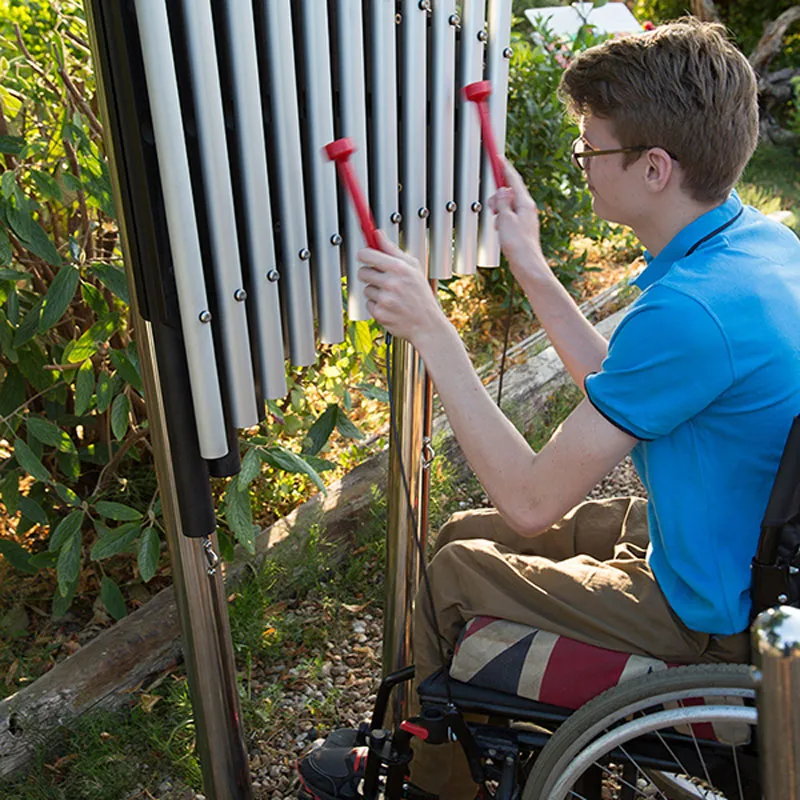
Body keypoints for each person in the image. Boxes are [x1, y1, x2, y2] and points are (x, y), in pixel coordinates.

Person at [299, 17, 800, 800]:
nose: (582, 165)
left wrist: (436, 332)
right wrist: (533, 270)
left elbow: (532, 502)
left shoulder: (693, 312)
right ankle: (421, 745)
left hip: (710, 613)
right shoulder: (759, 250)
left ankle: (428, 784)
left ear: (656, 167)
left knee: (459, 570)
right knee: (465, 531)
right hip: (732, 554)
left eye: (592, 148)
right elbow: (628, 387)